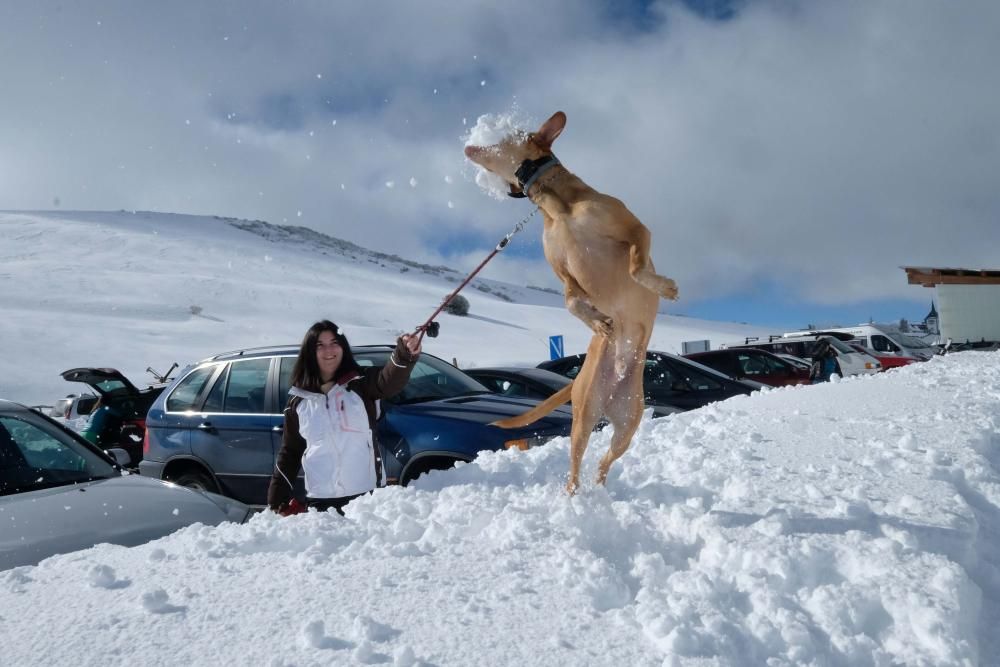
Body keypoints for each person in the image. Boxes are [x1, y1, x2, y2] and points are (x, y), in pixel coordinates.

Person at [267, 321, 421, 515]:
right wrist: (276, 499)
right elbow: (290, 452)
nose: (329, 350)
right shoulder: (298, 401)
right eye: (320, 345)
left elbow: (388, 380)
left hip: (367, 498)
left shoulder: (360, 384)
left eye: (334, 342)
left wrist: (404, 354)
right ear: (309, 352)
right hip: (321, 500)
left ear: (343, 347)